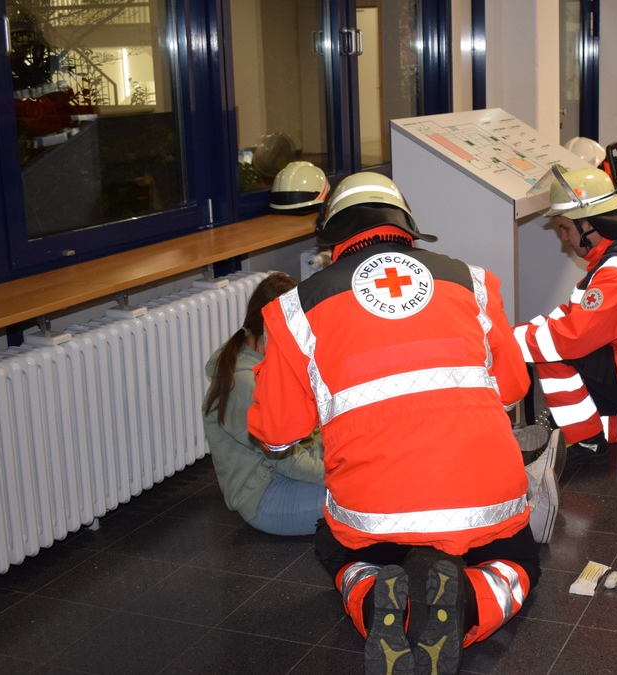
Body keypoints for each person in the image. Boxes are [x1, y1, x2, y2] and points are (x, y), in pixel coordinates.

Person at [246, 172, 538, 675]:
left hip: (373, 504)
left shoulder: (294, 309)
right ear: (405, 227)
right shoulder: (472, 281)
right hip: (479, 491)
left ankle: (368, 594)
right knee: (517, 564)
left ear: (333, 237)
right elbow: (513, 388)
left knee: (338, 548)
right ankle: (468, 599)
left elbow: (276, 434)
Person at [515, 166, 617, 466]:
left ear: (589, 225)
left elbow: (572, 338)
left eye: (565, 228)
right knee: (552, 351)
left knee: (554, 354)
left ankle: (586, 442)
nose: (564, 239)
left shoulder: (616, 273)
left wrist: (509, 342)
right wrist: (524, 330)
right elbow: (572, 314)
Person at [201, 272, 326, 536]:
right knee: (362, 500)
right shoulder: (244, 384)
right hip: (266, 495)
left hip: (290, 470)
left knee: (371, 476)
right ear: (270, 328)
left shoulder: (266, 356)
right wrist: (339, 475)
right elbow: (286, 461)